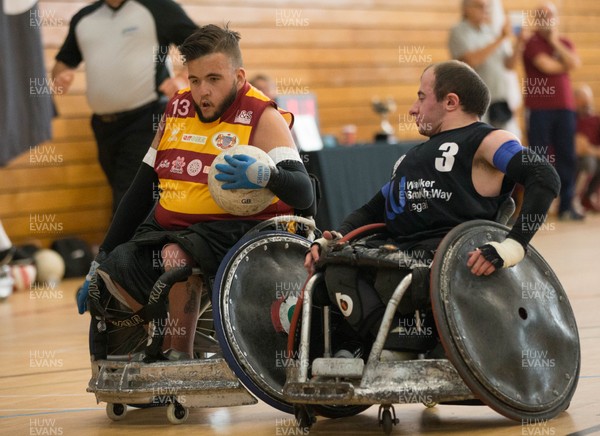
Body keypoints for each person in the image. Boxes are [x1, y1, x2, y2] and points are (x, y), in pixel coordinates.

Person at [79, 24, 314, 361]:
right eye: (194, 80)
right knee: (117, 268)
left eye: (214, 79)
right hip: (171, 228)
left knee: (176, 256)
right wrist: (100, 257)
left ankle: (180, 355)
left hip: (234, 233)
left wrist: (268, 175)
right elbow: (141, 187)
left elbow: (304, 193)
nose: (202, 91)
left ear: (238, 76)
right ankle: (171, 333)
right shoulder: (175, 110)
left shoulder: (263, 116)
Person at [304, 60, 560, 354]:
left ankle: (401, 347)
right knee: (335, 266)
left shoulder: (486, 140)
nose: (413, 108)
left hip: (448, 260)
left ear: (451, 102)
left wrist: (514, 245)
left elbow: (544, 176)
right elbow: (372, 210)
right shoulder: (411, 156)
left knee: (390, 274)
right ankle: (388, 344)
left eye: (421, 97)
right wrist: (334, 238)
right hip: (397, 252)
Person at [51, 0, 199, 213]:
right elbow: (63, 63)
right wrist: (60, 76)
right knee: (127, 194)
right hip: (103, 126)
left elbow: (203, 45)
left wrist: (184, 77)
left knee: (128, 197)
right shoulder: (84, 17)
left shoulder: (158, 8)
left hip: (148, 119)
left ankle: (118, 247)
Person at [522, 2, 582, 220]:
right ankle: (538, 209)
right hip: (539, 109)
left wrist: (555, 41)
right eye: (542, 16)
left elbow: (574, 63)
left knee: (567, 156)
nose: (546, 20)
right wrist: (564, 64)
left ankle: (567, 206)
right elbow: (547, 66)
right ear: (537, 19)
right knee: (539, 157)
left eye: (550, 16)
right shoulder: (532, 43)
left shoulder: (563, 42)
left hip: (565, 108)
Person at [449, 0, 524, 137]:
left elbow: (509, 65)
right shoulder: (459, 31)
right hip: (477, 101)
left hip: (499, 99)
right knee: (481, 142)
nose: (485, 10)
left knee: (508, 143)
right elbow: (471, 61)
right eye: (479, 6)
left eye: (487, 7)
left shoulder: (491, 31)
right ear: (466, 9)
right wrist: (501, 38)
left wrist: (519, 42)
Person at [574, 84, 600, 212]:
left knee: (591, 161)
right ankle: (575, 198)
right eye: (582, 101)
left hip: (591, 156)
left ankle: (590, 197)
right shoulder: (570, 119)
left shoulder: (596, 120)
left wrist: (589, 149)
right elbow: (576, 146)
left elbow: (585, 147)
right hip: (572, 158)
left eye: (587, 100)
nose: (586, 104)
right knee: (589, 162)